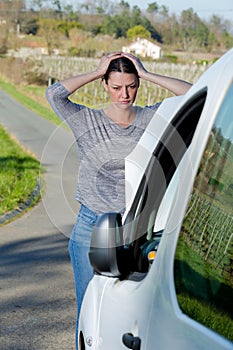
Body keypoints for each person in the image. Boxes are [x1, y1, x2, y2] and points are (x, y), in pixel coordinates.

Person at [46, 51, 192, 349]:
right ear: (104, 85)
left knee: (132, 314)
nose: (124, 94)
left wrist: (147, 72)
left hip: (137, 228)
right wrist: (96, 70)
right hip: (91, 227)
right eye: (116, 87)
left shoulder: (153, 117)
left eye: (132, 85)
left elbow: (192, 94)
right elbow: (54, 95)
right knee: (90, 311)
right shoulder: (86, 119)